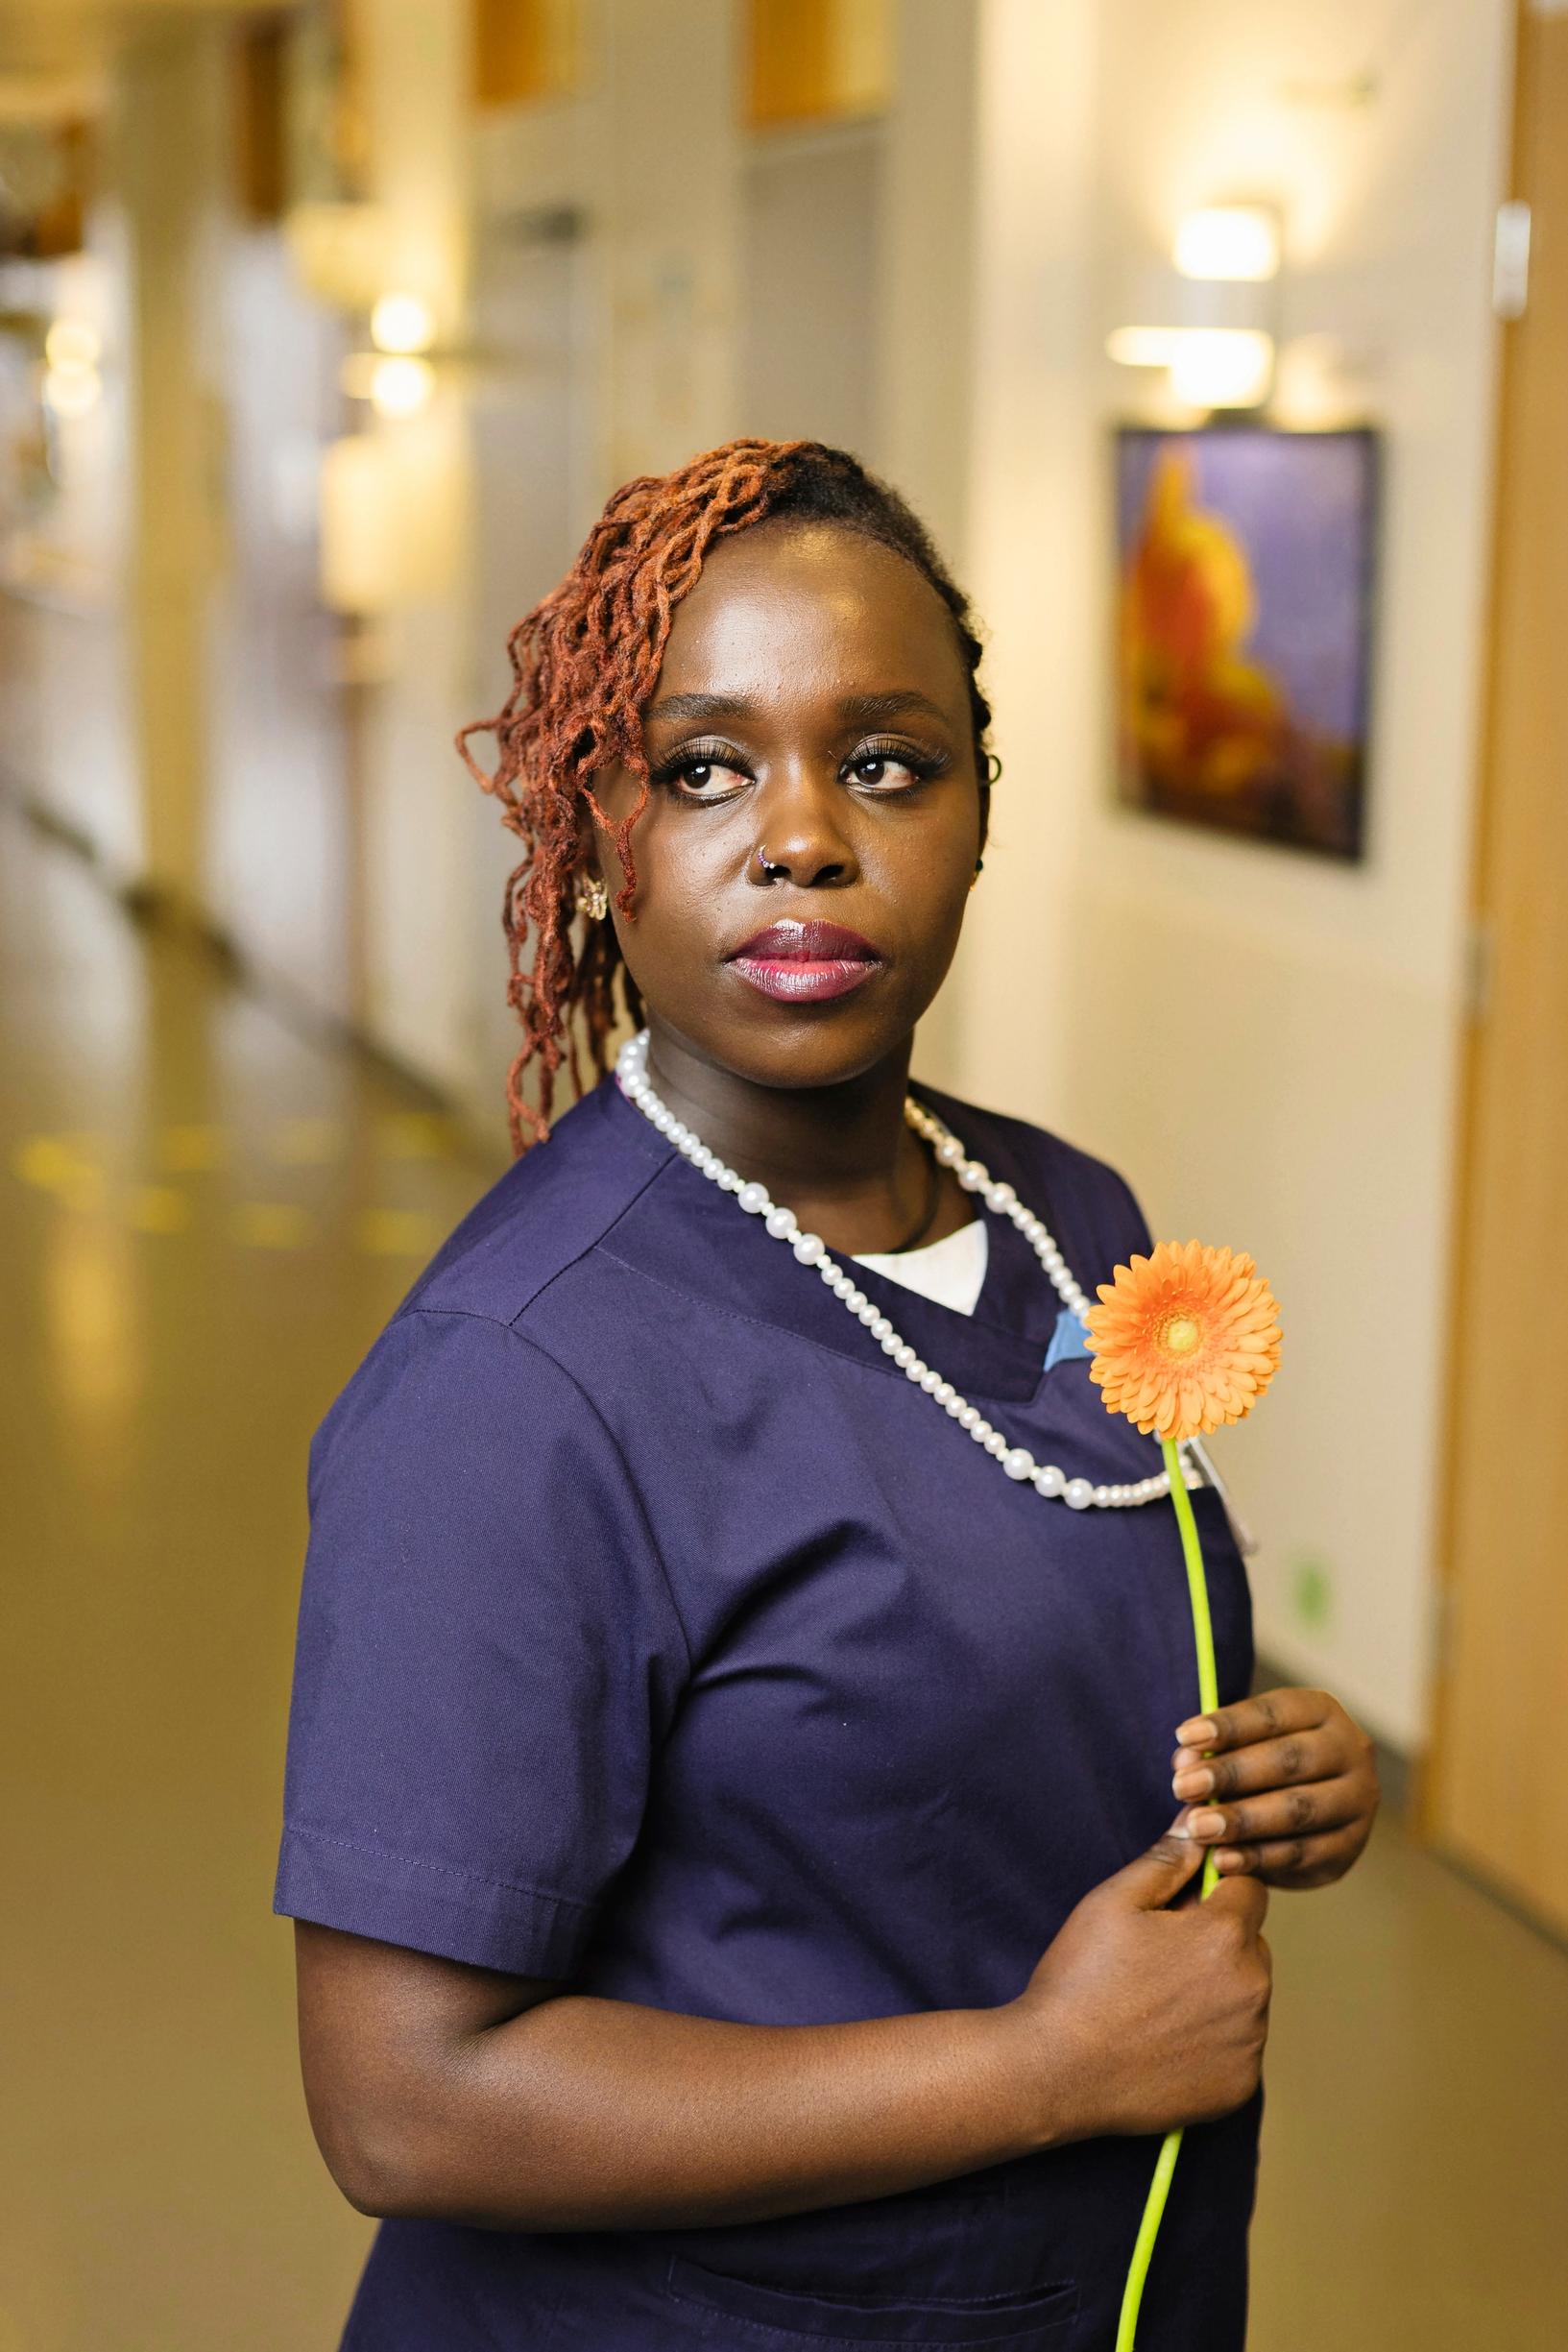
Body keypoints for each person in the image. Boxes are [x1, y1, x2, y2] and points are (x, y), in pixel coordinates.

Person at [273, 439, 1379, 2350]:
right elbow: (403, 2100)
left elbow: (1019, 1628)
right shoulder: (515, 1380)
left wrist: (1276, 1772)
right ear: (597, 830)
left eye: (885, 762)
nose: (802, 837)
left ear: (978, 811)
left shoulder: (1066, 1217)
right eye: (706, 768)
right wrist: (1045, 2066)